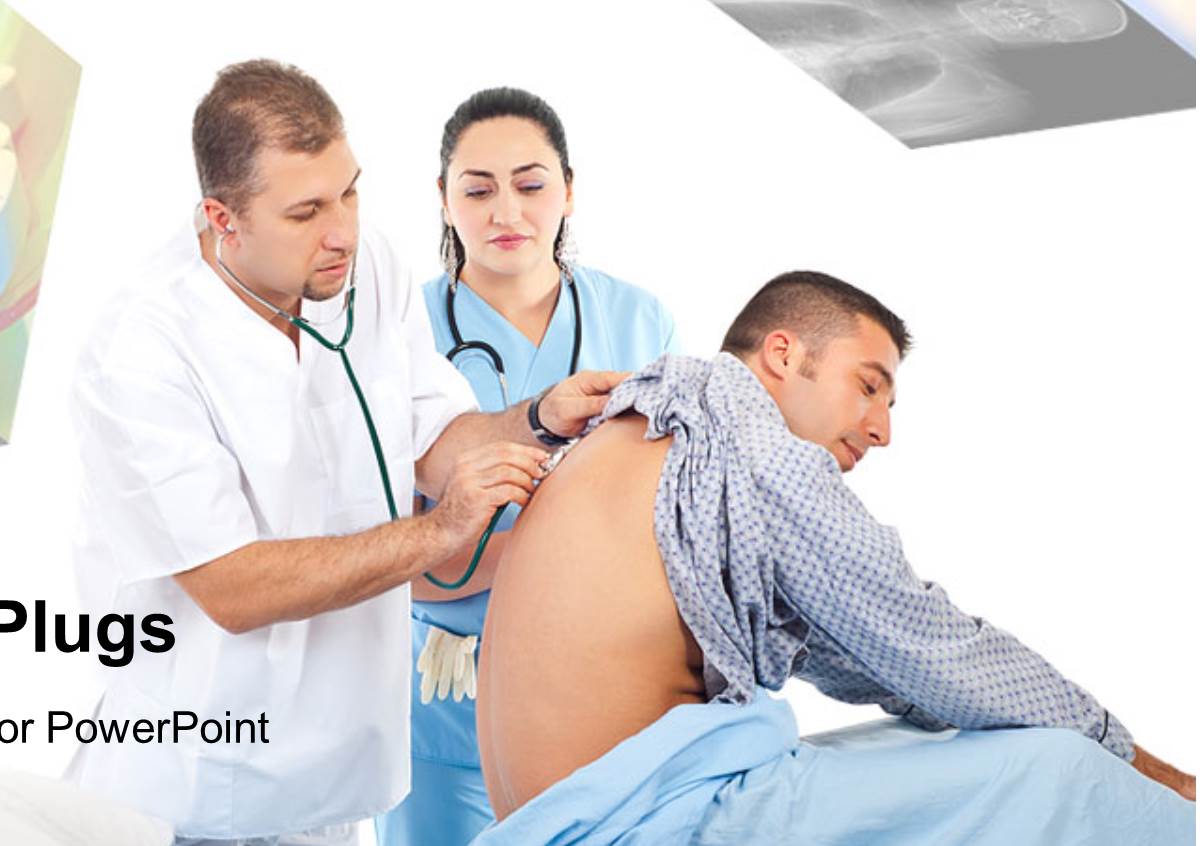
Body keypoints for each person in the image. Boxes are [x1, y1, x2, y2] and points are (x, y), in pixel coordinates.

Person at [65, 60, 624, 846]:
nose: (343, 233)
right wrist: (441, 531)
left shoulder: (364, 269)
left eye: (349, 193)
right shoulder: (142, 351)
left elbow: (434, 437)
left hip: (335, 783)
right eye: (305, 212)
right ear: (223, 219)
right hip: (198, 790)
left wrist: (539, 418)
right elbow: (233, 586)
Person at [472, 271, 1196, 843]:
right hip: (655, 823)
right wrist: (1137, 762)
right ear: (783, 354)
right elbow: (933, 645)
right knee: (1060, 771)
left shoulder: (657, 425)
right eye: (868, 386)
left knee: (936, 737)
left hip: (558, 820)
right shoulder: (751, 445)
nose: (881, 430)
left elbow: (869, 660)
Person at [374, 88, 679, 846]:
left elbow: (671, 516)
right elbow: (375, 551)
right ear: (444, 199)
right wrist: (546, 551)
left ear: (568, 191)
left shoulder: (639, 321)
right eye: (478, 190)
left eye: (531, 184)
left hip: (604, 688)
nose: (506, 212)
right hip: (443, 698)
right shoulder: (396, 336)